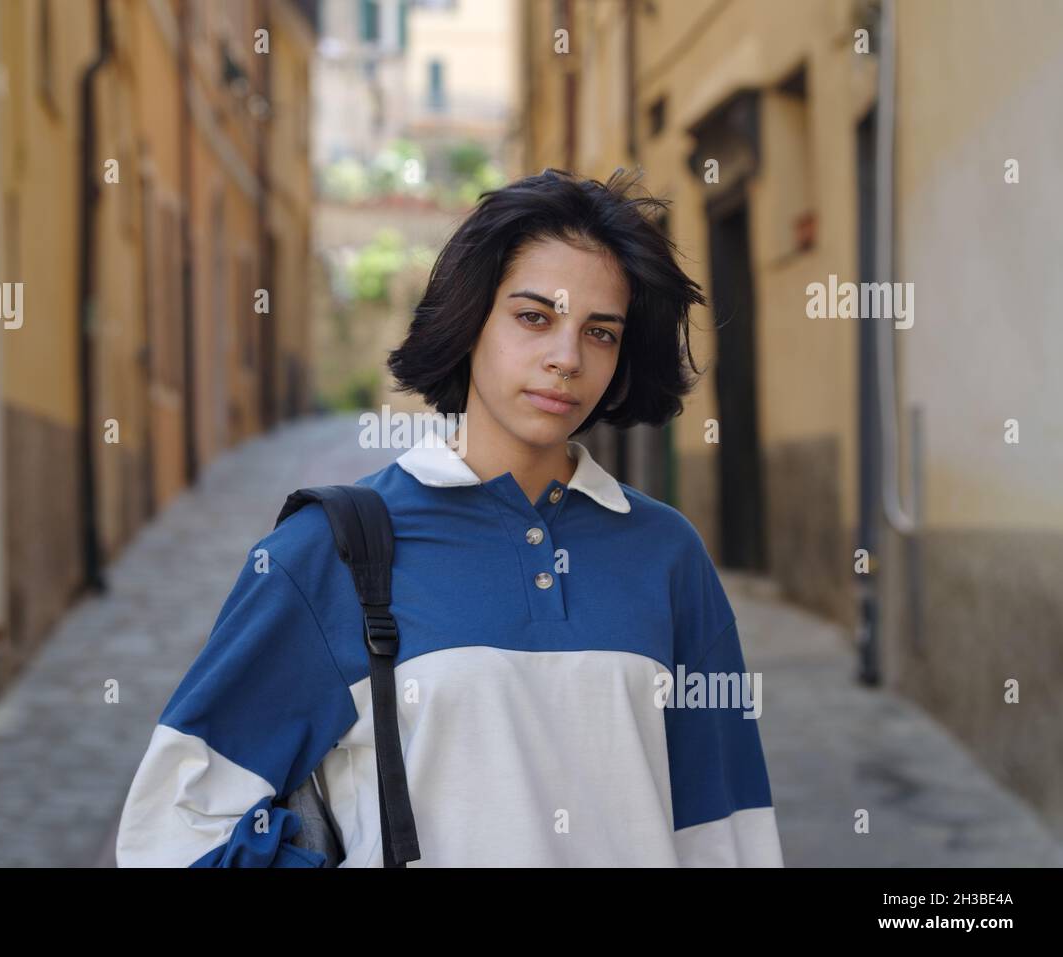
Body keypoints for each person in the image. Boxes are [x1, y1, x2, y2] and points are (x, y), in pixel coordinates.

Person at [115, 167, 784, 867]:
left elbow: (726, 836)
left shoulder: (667, 554)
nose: (566, 358)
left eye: (601, 332)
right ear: (470, 321)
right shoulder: (329, 554)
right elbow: (171, 827)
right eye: (534, 317)